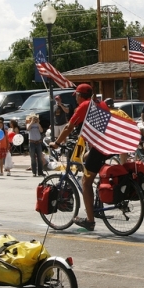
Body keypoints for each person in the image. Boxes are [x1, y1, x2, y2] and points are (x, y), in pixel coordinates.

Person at [49, 83, 112, 231]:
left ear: (79, 95)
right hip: (108, 146)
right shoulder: (100, 103)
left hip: (99, 148)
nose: (75, 98)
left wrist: (57, 143)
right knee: (86, 158)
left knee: (85, 182)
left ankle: (90, 221)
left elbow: (68, 127)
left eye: (76, 95)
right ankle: (97, 198)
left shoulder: (84, 106)